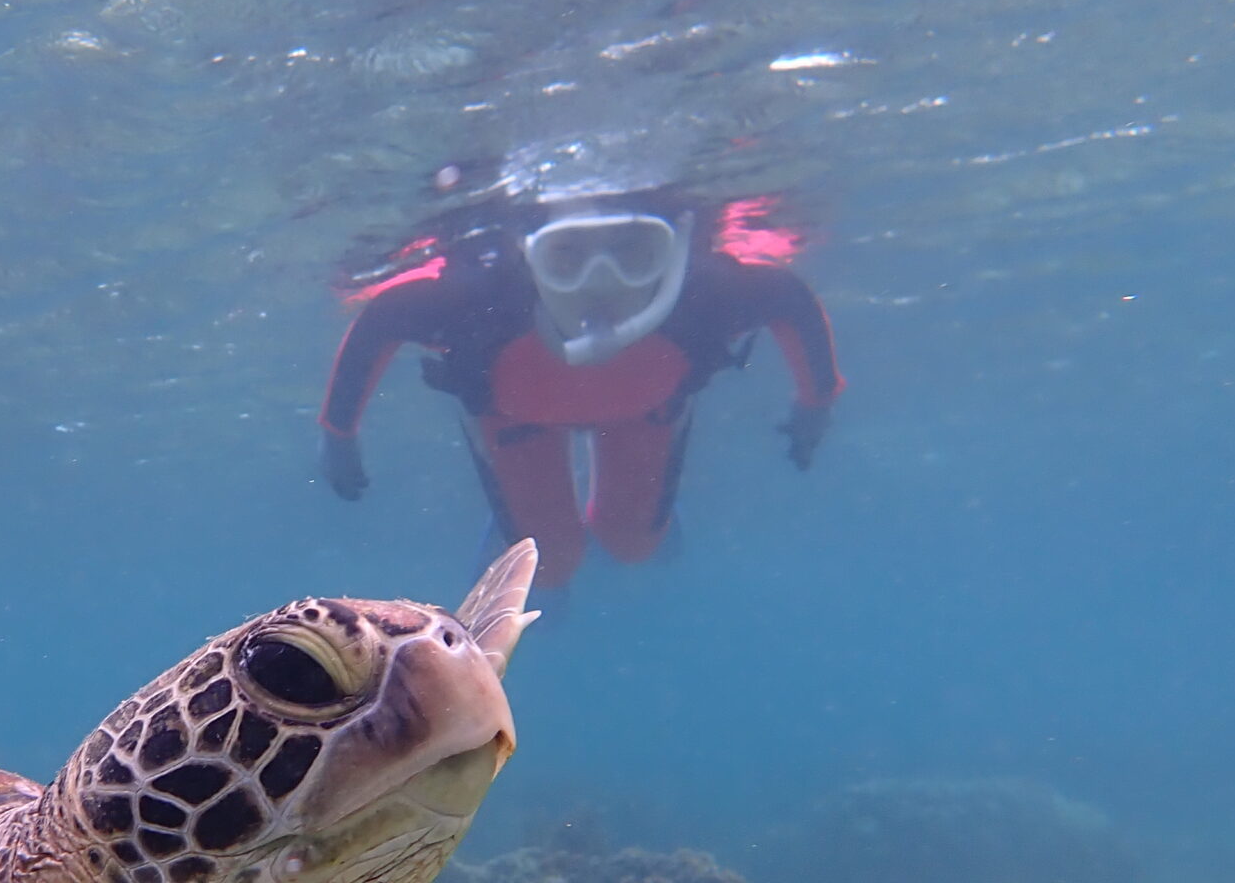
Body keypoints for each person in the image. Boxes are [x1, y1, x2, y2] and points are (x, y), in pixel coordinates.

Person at [315, 175, 842, 591]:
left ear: (675, 252)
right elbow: (383, 318)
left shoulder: (703, 298)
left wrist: (816, 405)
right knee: (547, 565)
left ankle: (606, 548)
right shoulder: (478, 305)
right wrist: (337, 435)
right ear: (527, 256)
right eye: (566, 257)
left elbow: (786, 297)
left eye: (635, 252)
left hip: (641, 408)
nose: (602, 283)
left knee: (633, 542)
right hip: (518, 416)